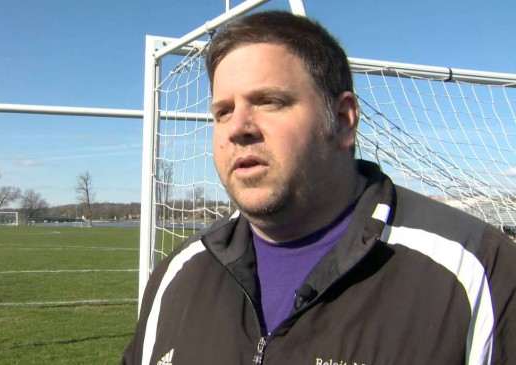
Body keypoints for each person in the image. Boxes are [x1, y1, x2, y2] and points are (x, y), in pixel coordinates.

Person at [123, 10, 515, 365]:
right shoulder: (177, 275)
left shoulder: (477, 272)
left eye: (269, 101)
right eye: (223, 111)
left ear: (343, 120)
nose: (238, 128)